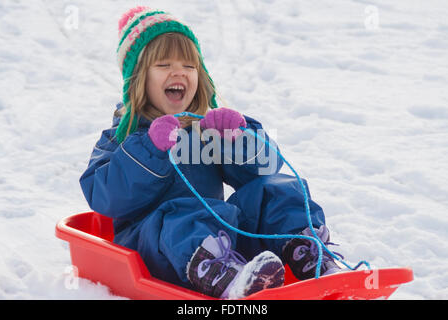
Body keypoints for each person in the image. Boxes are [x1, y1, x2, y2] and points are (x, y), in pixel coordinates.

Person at [80, 6, 341, 299]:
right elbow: (104, 197)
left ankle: (311, 258)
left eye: (189, 66)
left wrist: (236, 138)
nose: (178, 72)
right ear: (139, 79)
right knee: (184, 212)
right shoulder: (121, 137)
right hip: (156, 247)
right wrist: (149, 149)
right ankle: (227, 279)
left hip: (220, 239)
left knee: (272, 189)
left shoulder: (203, 130)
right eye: (164, 64)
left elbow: (264, 168)